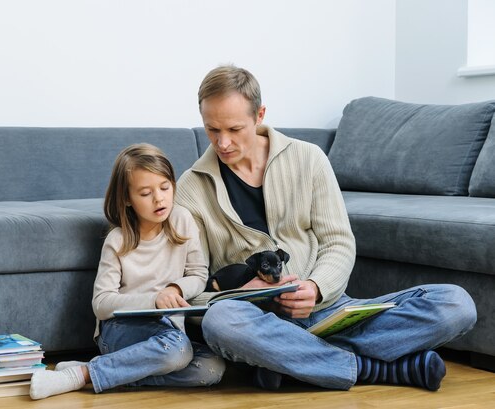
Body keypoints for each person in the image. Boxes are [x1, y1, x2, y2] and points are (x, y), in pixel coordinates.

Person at [175, 65, 477, 392]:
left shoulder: (309, 158)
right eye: (212, 130)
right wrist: (237, 295)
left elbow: (338, 242)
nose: (223, 142)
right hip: (258, 322)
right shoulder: (191, 187)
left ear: (260, 115)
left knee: (455, 304)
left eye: (234, 129)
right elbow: (192, 285)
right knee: (221, 322)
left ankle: (290, 361)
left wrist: (317, 287)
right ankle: (372, 368)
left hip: (330, 311)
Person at [30, 143, 225, 399]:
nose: (159, 198)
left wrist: (176, 288)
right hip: (120, 330)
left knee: (212, 368)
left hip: (168, 332)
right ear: (126, 198)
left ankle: (103, 371)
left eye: (165, 187)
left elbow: (198, 273)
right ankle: (80, 376)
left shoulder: (182, 219)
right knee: (177, 351)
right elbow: (101, 304)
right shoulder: (118, 240)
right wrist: (154, 299)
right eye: (145, 193)